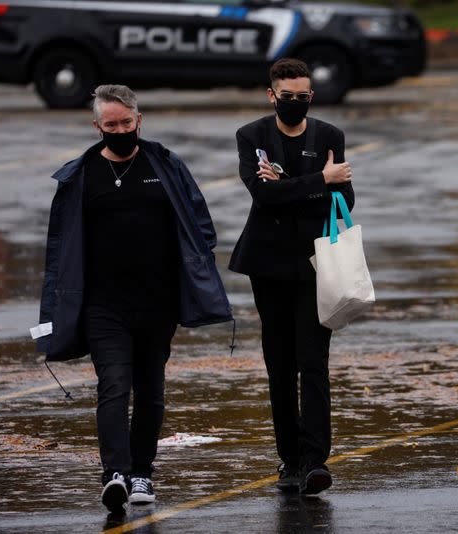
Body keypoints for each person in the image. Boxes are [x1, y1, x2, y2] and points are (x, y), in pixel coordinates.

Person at [35, 84, 232, 512]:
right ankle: (115, 476)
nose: (120, 130)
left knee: (150, 391)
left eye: (127, 122)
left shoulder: (164, 165)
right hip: (103, 306)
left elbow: (200, 224)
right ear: (97, 126)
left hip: (157, 303)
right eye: (111, 125)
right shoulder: (79, 176)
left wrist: (194, 268)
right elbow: (61, 247)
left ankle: (142, 472)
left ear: (138, 120)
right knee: (113, 386)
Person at [229, 58, 354, 495]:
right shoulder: (252, 136)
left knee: (313, 363)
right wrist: (320, 178)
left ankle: (317, 461)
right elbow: (262, 194)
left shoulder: (329, 136)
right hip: (267, 266)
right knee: (279, 366)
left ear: (311, 96)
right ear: (272, 96)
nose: (296, 103)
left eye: (303, 97)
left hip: (318, 264)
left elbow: (346, 197)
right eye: (288, 97)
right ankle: (290, 459)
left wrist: (290, 185)